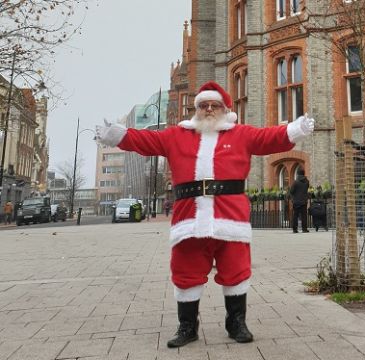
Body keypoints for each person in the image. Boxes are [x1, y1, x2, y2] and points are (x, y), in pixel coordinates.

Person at [96, 81, 315, 348]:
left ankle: (236, 322)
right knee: (185, 272)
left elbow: (268, 138)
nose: (209, 109)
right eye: (203, 105)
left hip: (230, 218)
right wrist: (118, 135)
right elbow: (146, 140)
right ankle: (187, 326)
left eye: (214, 105)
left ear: (224, 109)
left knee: (236, 271)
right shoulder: (176, 135)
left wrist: (296, 129)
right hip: (189, 219)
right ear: (196, 109)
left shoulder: (240, 134)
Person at [289, 169, 310, 233]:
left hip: (296, 201)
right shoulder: (307, 182)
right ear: (304, 174)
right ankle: (304, 229)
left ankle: (295, 229)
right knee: (304, 215)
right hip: (304, 200)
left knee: (295, 215)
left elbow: (291, 191)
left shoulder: (295, 182)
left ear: (298, 174)